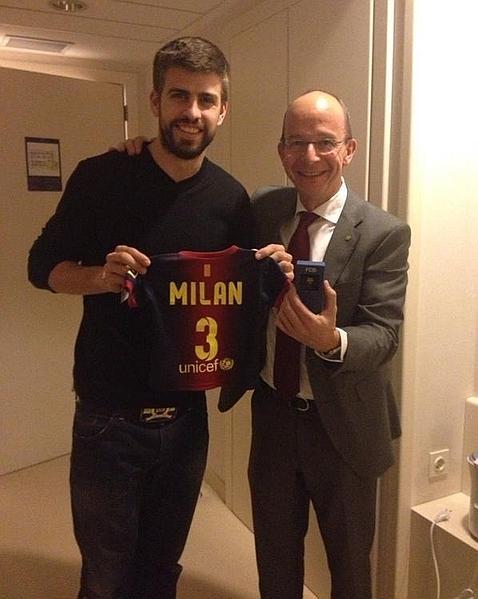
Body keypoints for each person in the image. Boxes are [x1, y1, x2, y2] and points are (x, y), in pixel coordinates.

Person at [115, 89, 410, 598]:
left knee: (349, 568)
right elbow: (195, 209)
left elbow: (384, 335)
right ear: (281, 150)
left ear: (349, 149)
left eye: (325, 142)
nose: (309, 156)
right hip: (273, 415)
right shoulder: (261, 207)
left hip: (345, 425)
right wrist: (147, 156)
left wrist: (330, 339)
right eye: (296, 142)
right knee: (274, 557)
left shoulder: (383, 233)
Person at [28, 36, 291, 599]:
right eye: (179, 96)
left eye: (206, 99)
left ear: (223, 110)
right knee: (105, 577)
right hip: (108, 417)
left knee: (161, 571)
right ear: (154, 101)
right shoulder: (100, 176)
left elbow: (239, 296)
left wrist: (270, 269)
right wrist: (99, 277)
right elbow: (40, 267)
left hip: (187, 420)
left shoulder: (230, 199)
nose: (191, 112)